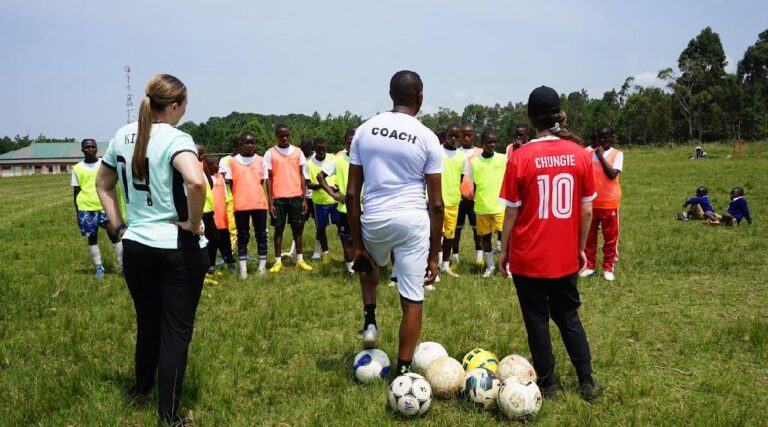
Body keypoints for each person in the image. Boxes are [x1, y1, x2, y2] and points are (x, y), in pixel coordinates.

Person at [95, 74, 208, 425]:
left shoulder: (121, 135)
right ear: (174, 106)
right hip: (175, 248)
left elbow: (103, 183)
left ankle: (139, 389)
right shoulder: (177, 138)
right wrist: (192, 221)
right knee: (175, 333)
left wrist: (118, 227)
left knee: (148, 322)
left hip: (136, 247)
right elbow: (195, 180)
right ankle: (169, 417)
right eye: (185, 104)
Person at [498, 85, 602, 402]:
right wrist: (582, 249)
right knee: (568, 316)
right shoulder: (581, 155)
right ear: (558, 114)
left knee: (537, 321)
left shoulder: (520, 156)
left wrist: (504, 251)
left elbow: (512, 212)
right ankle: (587, 381)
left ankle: (548, 384)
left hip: (529, 257)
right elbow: (586, 210)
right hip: (564, 256)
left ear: (531, 119)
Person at [347, 70, 443, 377]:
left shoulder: (364, 130)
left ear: (391, 95)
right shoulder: (427, 136)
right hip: (412, 220)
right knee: (412, 299)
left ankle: (370, 317)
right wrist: (433, 255)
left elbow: (351, 193)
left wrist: (358, 247)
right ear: (420, 97)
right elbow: (437, 204)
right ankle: (402, 373)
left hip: (374, 217)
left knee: (369, 266)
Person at [71, 138, 123, 278]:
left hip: (104, 205)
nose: (90, 149)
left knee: (114, 234)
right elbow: (76, 192)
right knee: (92, 238)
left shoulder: (104, 164)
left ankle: (123, 266)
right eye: (87, 147)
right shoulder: (77, 168)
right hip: (86, 207)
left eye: (92, 147)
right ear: (82, 150)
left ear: (97, 148)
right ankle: (99, 267)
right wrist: (78, 214)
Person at [264, 124, 313, 272]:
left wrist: (304, 198)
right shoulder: (270, 153)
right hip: (278, 198)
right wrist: (270, 202)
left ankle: (300, 259)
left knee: (297, 229)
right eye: (281, 135)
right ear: (276, 136)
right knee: (278, 229)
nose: (284, 138)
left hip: (296, 197)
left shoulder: (298, 152)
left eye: (287, 135)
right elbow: (269, 179)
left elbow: (302, 175)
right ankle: (278, 261)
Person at [580, 126, 623, 282]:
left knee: (610, 237)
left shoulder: (617, 154)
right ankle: (589, 266)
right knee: (589, 236)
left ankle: (608, 267)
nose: (603, 141)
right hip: (590, 202)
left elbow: (612, 174)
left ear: (611, 138)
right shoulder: (586, 153)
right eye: (600, 138)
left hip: (610, 202)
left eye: (606, 138)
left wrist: (601, 157)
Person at [226, 132, 269, 278]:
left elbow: (262, 182)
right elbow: (231, 183)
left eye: (252, 143)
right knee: (243, 236)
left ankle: (261, 268)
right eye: (247, 143)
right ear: (241, 145)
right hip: (241, 205)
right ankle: (243, 270)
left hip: (259, 204)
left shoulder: (261, 160)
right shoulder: (232, 162)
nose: (250, 146)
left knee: (261, 235)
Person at [317, 128, 357, 274]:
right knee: (347, 241)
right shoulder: (338, 160)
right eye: (350, 141)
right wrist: (332, 193)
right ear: (345, 143)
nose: (353, 144)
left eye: (356, 141)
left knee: (366, 242)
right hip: (344, 210)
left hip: (365, 209)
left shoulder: (367, 159)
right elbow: (320, 177)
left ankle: (365, 268)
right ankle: (350, 271)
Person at [470, 128, 507, 277]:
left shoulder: (503, 158)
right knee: (485, 238)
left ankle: (506, 266)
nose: (492, 144)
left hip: (500, 206)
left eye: (494, 142)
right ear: (482, 143)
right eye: (489, 142)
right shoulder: (473, 162)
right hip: (482, 207)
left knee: (505, 237)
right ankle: (490, 266)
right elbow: (473, 185)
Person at [438, 124, 468, 278]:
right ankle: (433, 265)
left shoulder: (462, 156)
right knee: (436, 235)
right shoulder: (437, 152)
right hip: (436, 201)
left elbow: (460, 179)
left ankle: (445, 265)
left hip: (453, 201)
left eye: (457, 136)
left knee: (450, 235)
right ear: (446, 135)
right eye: (451, 135)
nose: (454, 138)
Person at [306, 137, 340, 264]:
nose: (322, 153)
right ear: (314, 149)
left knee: (341, 225)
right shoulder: (309, 164)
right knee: (321, 228)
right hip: (319, 202)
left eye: (324, 150)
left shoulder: (333, 158)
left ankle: (348, 252)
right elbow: (308, 185)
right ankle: (325, 253)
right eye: (319, 150)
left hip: (336, 200)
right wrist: (324, 186)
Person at [454, 124, 483, 266]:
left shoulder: (480, 153)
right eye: (464, 134)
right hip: (458, 199)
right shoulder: (456, 153)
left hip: (475, 199)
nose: (466, 137)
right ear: (459, 136)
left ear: (474, 135)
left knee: (477, 230)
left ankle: (479, 257)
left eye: (469, 134)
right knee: (456, 230)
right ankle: (454, 258)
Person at [206, 155, 235, 271]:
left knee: (225, 240)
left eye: (218, 163)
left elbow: (225, 195)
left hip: (222, 216)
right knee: (212, 241)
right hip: (211, 216)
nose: (218, 166)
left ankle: (230, 261)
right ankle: (209, 265)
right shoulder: (204, 178)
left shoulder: (221, 178)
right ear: (207, 166)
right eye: (215, 164)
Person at [218, 138, 240, 257]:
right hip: (229, 197)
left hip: (243, 197)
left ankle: (242, 250)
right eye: (239, 147)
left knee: (244, 226)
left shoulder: (244, 159)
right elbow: (224, 178)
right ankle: (230, 253)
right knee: (232, 225)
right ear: (234, 148)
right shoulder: (225, 160)